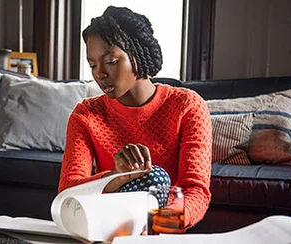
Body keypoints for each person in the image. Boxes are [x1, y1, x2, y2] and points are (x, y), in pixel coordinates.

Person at [58, 6, 212, 228]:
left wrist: (155, 225)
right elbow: (69, 190)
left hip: (165, 224)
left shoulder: (187, 105)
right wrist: (118, 176)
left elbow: (195, 192)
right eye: (92, 65)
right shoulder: (86, 114)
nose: (99, 73)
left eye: (110, 61)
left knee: (156, 177)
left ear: (137, 54)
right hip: (107, 223)